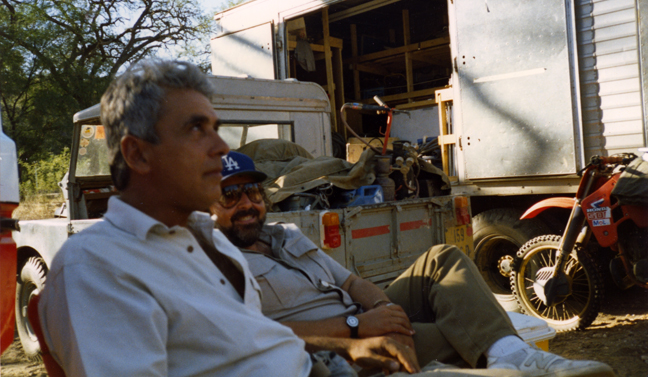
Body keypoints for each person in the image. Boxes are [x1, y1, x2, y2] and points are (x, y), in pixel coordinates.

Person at [37, 59, 422, 377]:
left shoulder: (211, 242)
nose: (221, 148)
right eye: (195, 130)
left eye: (216, 129)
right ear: (137, 155)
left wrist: (353, 349)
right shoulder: (98, 267)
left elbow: (254, 342)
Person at [211, 151, 616, 377]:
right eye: (230, 196)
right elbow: (257, 333)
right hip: (332, 346)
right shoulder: (214, 262)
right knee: (463, 334)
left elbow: (351, 282)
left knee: (443, 257)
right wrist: (357, 328)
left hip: (362, 319)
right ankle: (510, 361)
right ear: (205, 205)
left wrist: (383, 310)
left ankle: (514, 355)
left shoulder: (284, 235)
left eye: (252, 192)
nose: (247, 204)